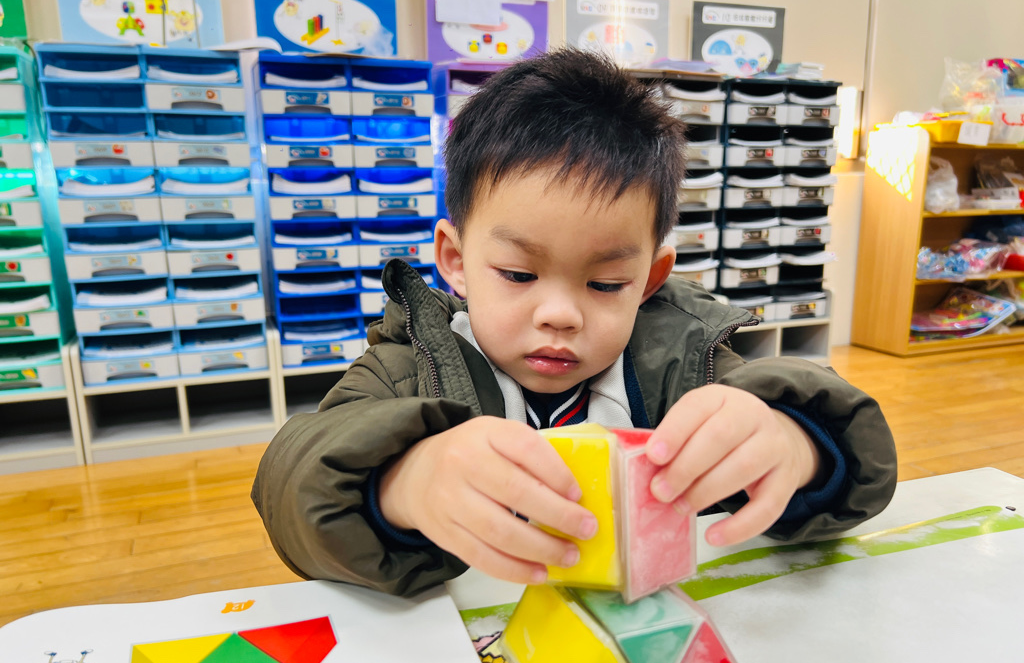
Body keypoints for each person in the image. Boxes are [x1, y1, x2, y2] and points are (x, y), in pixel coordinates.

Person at [252, 49, 897, 596]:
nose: (560, 315)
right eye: (518, 274)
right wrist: (403, 482)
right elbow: (291, 482)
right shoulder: (406, 366)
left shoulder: (681, 363)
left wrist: (797, 444)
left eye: (606, 284)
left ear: (649, 279)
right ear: (456, 261)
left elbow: (844, 446)